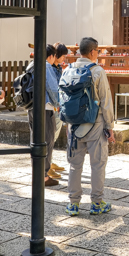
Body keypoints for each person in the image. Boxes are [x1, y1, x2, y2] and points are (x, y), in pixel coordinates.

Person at [65, 37, 115, 216]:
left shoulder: (68, 69)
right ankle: (96, 203)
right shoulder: (97, 71)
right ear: (93, 52)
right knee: (97, 164)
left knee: (74, 165)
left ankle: (73, 204)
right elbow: (106, 101)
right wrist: (110, 126)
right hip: (95, 123)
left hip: (73, 124)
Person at [26, 44, 60, 187]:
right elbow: (52, 88)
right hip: (45, 108)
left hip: (32, 106)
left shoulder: (31, 65)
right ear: (51, 56)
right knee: (47, 140)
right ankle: (44, 176)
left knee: (35, 139)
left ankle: (36, 172)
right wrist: (59, 103)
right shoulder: (46, 66)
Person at [48, 42, 69, 177]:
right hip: (53, 105)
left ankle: (49, 161)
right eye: (62, 56)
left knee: (54, 135)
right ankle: (46, 164)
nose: (64, 59)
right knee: (50, 135)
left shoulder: (57, 67)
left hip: (58, 104)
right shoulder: (49, 68)